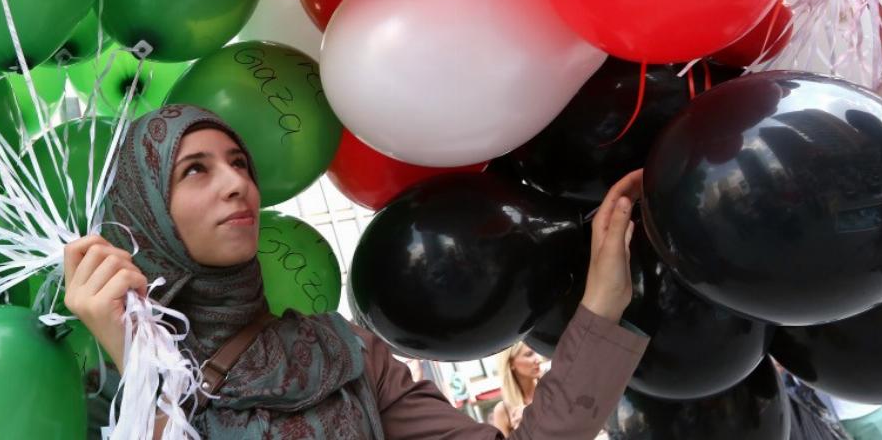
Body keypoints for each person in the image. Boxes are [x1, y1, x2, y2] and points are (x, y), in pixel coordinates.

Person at [63, 105, 649, 438]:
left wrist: (602, 303)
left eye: (239, 162)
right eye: (195, 170)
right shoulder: (93, 392)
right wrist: (138, 370)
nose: (237, 182)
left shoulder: (341, 352)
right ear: (144, 214)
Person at [491, 342, 544, 436]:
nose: (539, 360)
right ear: (511, 363)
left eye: (536, 352)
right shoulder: (503, 411)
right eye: (529, 354)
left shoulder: (553, 391)